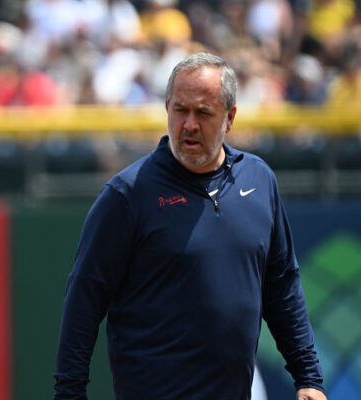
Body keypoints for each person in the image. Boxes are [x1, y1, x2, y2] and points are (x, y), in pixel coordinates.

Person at [53, 52, 327, 400]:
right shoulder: (127, 195)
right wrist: (69, 394)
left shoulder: (259, 179)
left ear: (230, 118)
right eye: (180, 110)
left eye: (204, 112)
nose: (189, 124)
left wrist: (308, 378)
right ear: (167, 108)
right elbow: (83, 300)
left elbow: (282, 285)